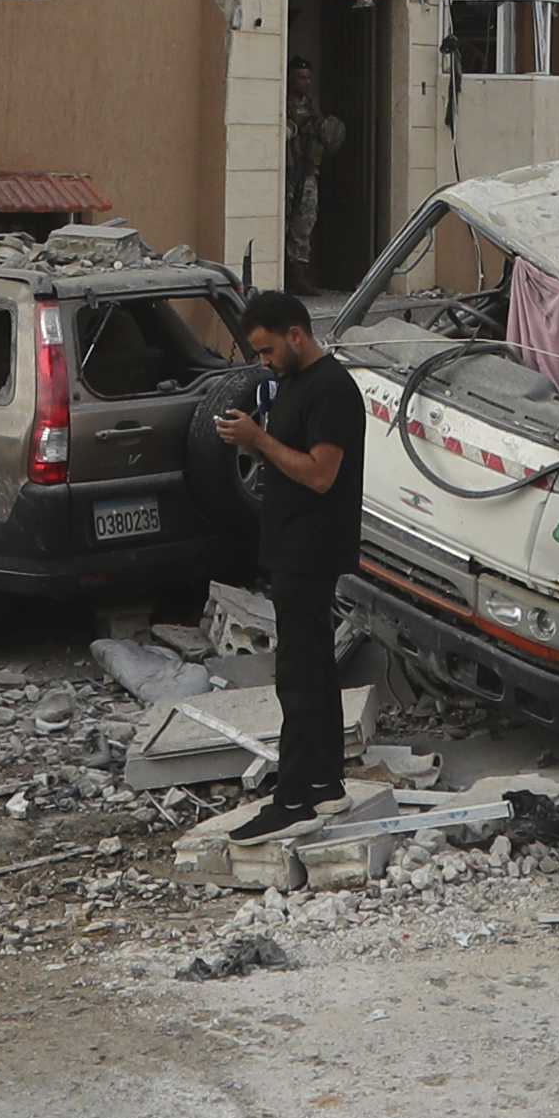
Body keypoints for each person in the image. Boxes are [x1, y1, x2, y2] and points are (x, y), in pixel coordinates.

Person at [212, 289, 364, 843]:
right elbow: (288, 453)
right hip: (290, 545)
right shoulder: (296, 383)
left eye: (268, 350)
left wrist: (259, 440)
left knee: (298, 677)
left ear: (296, 335)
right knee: (317, 668)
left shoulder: (332, 390)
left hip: (311, 549)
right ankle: (326, 784)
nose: (264, 362)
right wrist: (253, 440)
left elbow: (321, 474)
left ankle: (293, 797)